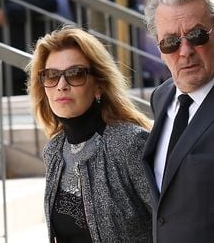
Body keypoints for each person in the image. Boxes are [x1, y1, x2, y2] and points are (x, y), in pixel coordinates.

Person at [26, 26, 152, 242]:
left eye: (75, 74)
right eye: (51, 75)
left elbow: (171, 223)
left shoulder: (130, 143)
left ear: (99, 85)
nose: (62, 85)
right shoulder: (54, 151)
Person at [143, 0, 214, 242]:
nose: (185, 51)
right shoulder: (161, 98)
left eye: (197, 36)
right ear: (159, 48)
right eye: (170, 42)